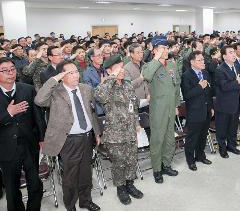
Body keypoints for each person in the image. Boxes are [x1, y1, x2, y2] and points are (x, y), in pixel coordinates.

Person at [35, 60, 101, 211]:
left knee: (86, 173)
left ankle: (85, 200)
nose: (76, 75)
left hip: (86, 137)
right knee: (70, 177)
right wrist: (54, 79)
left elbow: (91, 113)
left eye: (76, 71)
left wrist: (96, 132)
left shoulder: (86, 89)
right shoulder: (55, 91)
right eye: (70, 73)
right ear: (62, 75)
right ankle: (70, 206)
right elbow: (39, 100)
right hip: (68, 140)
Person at [94, 55, 144, 205]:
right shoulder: (106, 87)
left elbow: (133, 107)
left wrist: (136, 123)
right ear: (109, 71)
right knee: (119, 162)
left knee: (131, 159)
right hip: (115, 134)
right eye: (118, 68)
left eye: (123, 67)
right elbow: (99, 96)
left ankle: (130, 184)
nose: (122, 70)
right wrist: (111, 77)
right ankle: (120, 188)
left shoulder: (127, 85)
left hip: (130, 131)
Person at [0, 57, 46, 211]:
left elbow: (38, 116)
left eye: (12, 69)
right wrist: (8, 114)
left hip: (29, 144)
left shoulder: (27, 89)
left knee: (35, 183)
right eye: (5, 71)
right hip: (5, 147)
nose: (10, 73)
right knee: (12, 189)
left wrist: (42, 138)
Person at [142, 36, 181, 184]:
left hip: (171, 107)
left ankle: (166, 164)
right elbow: (146, 76)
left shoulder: (172, 65)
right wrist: (156, 59)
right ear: (155, 51)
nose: (166, 50)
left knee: (170, 138)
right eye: (162, 48)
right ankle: (157, 169)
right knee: (158, 139)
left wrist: (177, 105)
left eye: (166, 48)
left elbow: (176, 86)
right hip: (158, 109)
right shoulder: (149, 66)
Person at [181, 51, 213, 170]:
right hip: (194, 111)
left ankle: (200, 156)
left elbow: (209, 93)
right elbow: (187, 95)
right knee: (192, 137)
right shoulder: (186, 75)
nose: (203, 62)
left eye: (203, 60)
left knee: (203, 136)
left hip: (206, 110)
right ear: (192, 62)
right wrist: (200, 87)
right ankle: (190, 160)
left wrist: (210, 107)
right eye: (200, 60)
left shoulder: (205, 73)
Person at [214, 45, 240, 158]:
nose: (233, 54)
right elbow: (224, 86)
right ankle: (222, 148)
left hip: (235, 102)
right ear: (224, 56)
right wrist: (236, 82)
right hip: (224, 104)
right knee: (222, 128)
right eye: (230, 52)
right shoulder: (220, 69)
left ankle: (232, 145)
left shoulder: (236, 66)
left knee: (233, 127)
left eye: (233, 52)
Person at [124, 43, 151, 138]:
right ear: (131, 54)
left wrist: (148, 94)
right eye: (138, 52)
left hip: (147, 100)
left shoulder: (146, 65)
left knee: (149, 125)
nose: (141, 54)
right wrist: (140, 78)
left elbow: (148, 83)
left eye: (142, 52)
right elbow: (127, 86)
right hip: (135, 102)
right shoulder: (127, 68)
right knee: (138, 127)